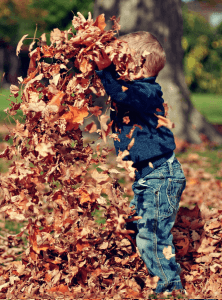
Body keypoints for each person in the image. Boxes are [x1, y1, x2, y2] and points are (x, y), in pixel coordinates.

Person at [95, 31, 187, 295]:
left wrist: (106, 72)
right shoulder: (135, 91)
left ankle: (169, 287)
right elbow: (117, 91)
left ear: (137, 64)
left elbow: (121, 94)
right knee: (136, 225)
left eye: (121, 61)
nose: (116, 66)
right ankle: (150, 269)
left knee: (153, 236)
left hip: (161, 177)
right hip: (150, 178)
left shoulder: (147, 92)